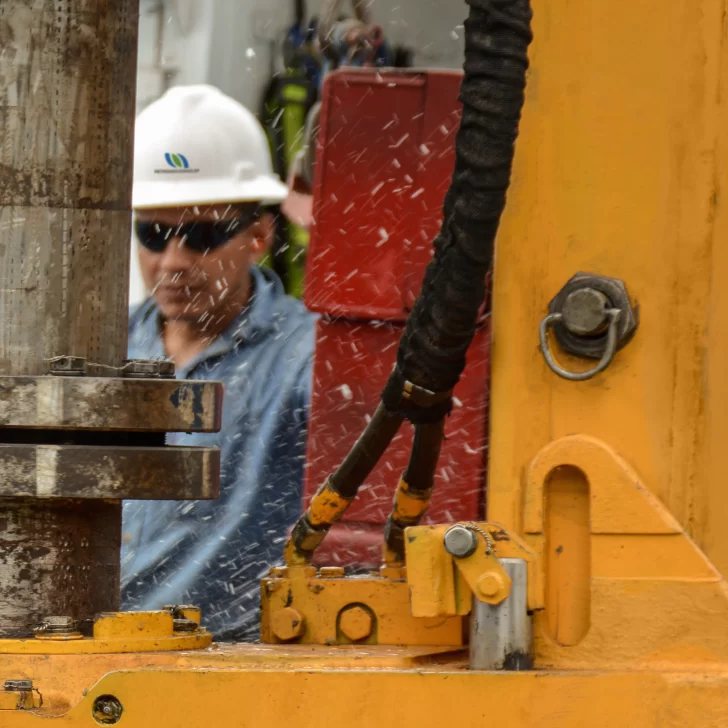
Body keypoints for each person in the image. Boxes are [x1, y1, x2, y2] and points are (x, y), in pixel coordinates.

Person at [121, 85, 316, 642]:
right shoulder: (107, 348)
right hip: (87, 663)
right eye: (153, 234)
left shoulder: (307, 358)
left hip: (220, 672)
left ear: (259, 235)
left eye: (203, 236)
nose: (173, 262)